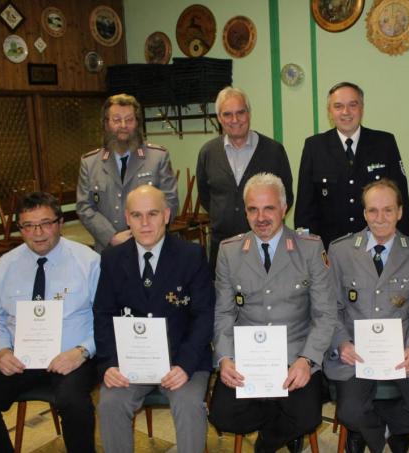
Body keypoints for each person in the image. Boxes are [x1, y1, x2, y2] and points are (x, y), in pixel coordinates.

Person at [0, 192, 100, 453]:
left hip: (72, 357)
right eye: (28, 225)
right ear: (20, 229)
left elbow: (105, 318)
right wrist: (1, 350)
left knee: (74, 404)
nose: (38, 233)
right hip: (21, 357)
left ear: (60, 223)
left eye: (46, 223)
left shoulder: (89, 262)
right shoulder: (4, 267)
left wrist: (82, 352)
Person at [209, 173, 336, 453]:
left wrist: (307, 360)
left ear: (284, 208)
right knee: (221, 415)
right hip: (248, 357)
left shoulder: (310, 248)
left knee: (308, 416)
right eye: (253, 209)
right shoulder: (229, 252)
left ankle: (268, 441)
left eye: (269, 208)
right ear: (245, 212)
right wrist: (225, 358)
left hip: (295, 354)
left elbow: (325, 314)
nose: (261, 217)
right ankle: (282, 423)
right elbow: (223, 313)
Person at [93, 185, 214, 453]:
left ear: (167, 215)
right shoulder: (112, 259)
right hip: (130, 361)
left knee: (189, 404)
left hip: (181, 360)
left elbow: (204, 315)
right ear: (127, 218)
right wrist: (109, 364)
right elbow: (103, 314)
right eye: (136, 215)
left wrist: (184, 365)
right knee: (110, 403)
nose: (145, 223)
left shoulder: (191, 255)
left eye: (153, 214)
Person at [323, 179, 409, 453]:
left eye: (388, 210)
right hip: (356, 352)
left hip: (402, 352)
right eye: (373, 211)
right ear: (364, 213)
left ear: (400, 211)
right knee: (350, 412)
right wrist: (341, 343)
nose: (380, 218)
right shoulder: (340, 251)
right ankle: (383, 432)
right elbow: (330, 309)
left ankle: (383, 428)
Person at [295, 81, 409, 249]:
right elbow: (305, 210)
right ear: (329, 112)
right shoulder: (314, 147)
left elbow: (402, 201)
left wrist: (403, 247)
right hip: (330, 250)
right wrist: (308, 252)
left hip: (376, 246)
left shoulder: (384, 143)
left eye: (353, 105)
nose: (346, 112)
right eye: (338, 106)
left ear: (362, 108)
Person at [196, 86, 294, 274]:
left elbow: (286, 196)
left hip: (265, 245)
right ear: (219, 118)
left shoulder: (274, 151)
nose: (235, 120)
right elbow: (206, 198)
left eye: (240, 112)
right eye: (227, 114)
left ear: (249, 113)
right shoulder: (208, 153)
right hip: (222, 246)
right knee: (224, 299)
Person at [76, 93, 179, 253]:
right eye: (116, 120)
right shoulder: (90, 163)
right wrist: (111, 236)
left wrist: (144, 235)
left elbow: (170, 201)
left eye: (129, 120)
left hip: (151, 248)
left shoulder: (158, 157)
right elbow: (84, 207)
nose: (123, 125)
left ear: (137, 123)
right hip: (108, 250)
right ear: (106, 123)